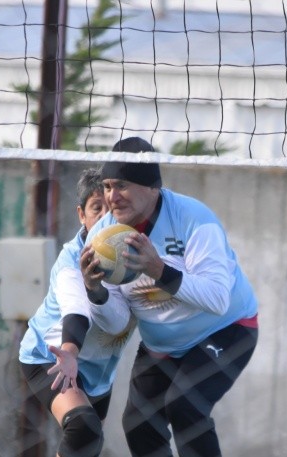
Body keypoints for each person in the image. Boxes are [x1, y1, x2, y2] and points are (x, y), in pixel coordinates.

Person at [80, 137, 259, 457]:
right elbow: (119, 321)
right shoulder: (102, 238)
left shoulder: (193, 218)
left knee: (185, 407)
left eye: (121, 185)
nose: (111, 196)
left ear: (152, 187)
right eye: (107, 186)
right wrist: (96, 293)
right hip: (162, 345)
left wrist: (159, 269)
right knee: (138, 424)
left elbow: (218, 299)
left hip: (227, 329)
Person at [19, 168, 134, 457]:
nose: (106, 219)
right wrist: (69, 351)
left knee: (88, 447)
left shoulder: (135, 254)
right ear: (82, 215)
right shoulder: (72, 261)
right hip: (53, 357)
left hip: (99, 367)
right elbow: (76, 310)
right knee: (84, 432)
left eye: (113, 210)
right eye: (98, 209)